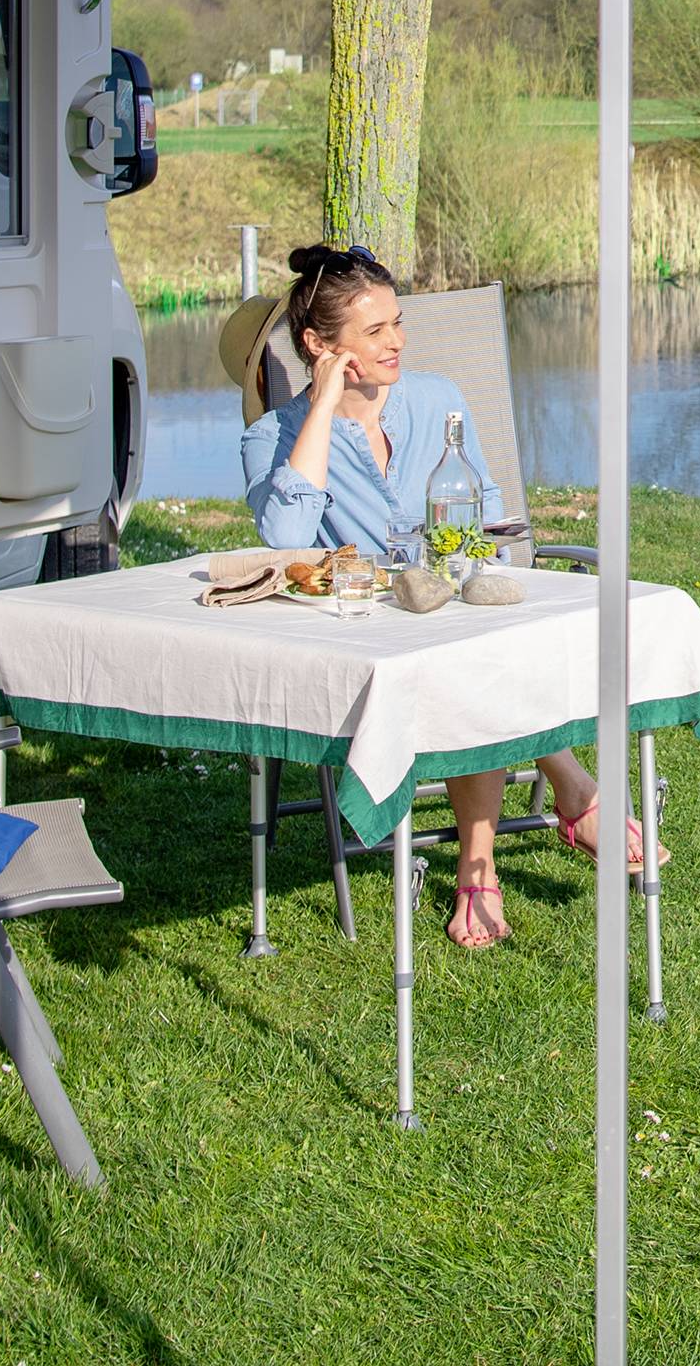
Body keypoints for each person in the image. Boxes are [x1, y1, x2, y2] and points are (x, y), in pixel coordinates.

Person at [240, 243, 658, 950]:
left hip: (450, 607)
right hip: (364, 633)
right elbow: (283, 535)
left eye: (396, 323)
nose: (397, 342)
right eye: (374, 333)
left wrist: (472, 561)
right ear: (319, 345)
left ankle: (480, 864)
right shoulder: (274, 437)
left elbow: (491, 516)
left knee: (471, 656)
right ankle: (570, 794)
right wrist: (321, 408)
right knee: (469, 668)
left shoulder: (437, 401)